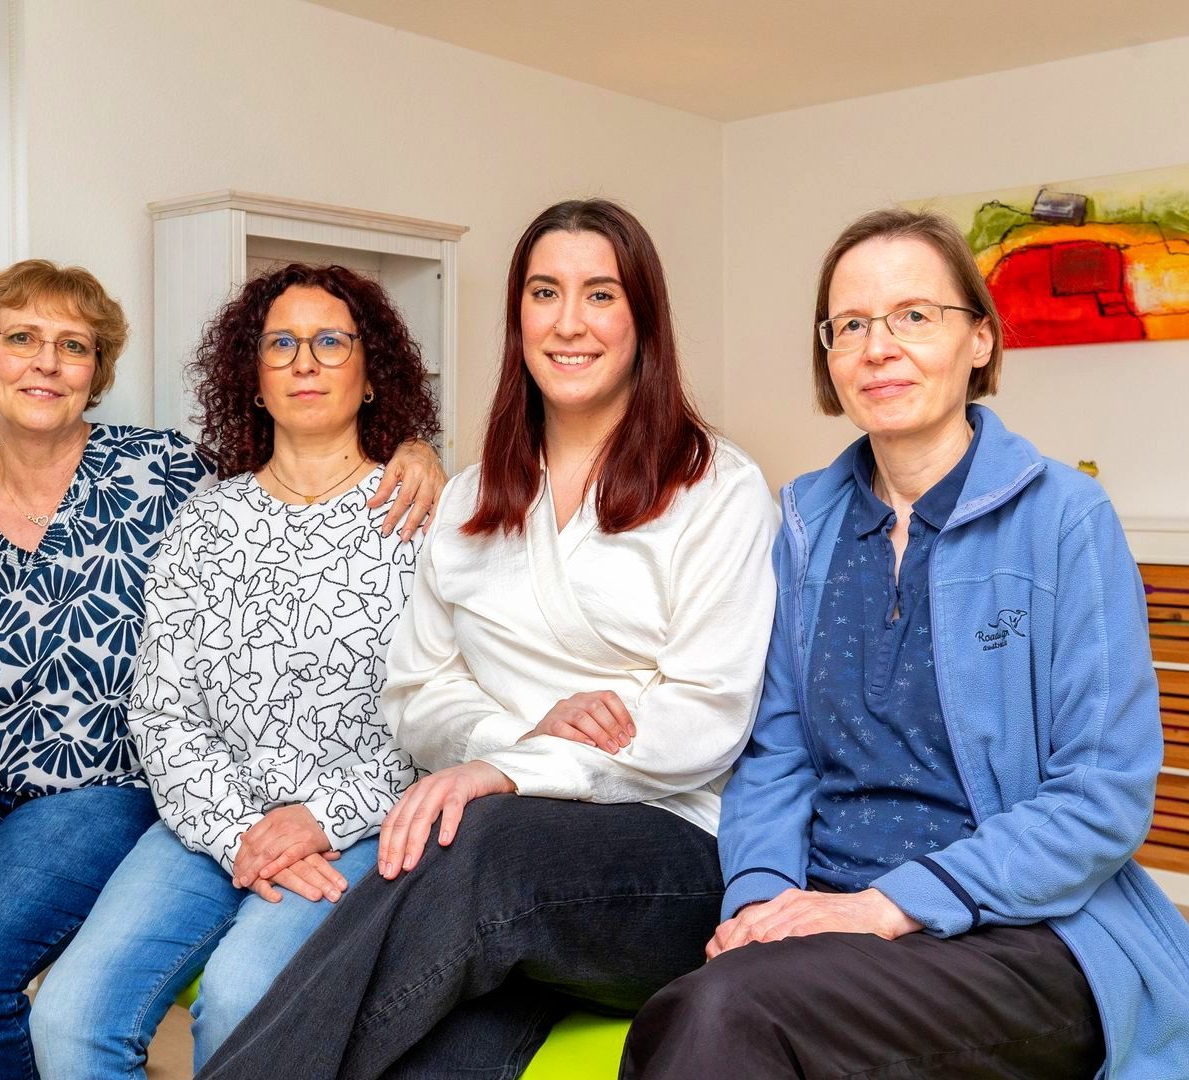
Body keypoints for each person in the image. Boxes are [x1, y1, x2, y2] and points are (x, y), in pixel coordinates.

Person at [621, 208, 1189, 1079]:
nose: (877, 348)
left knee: (719, 1014)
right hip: (828, 915)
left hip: (1023, 934)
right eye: (850, 325)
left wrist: (891, 905)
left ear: (980, 340)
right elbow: (776, 756)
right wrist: (762, 903)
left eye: (914, 317)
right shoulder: (806, 523)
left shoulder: (1065, 521)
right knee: (706, 1004)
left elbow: (1104, 795)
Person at [0, 259, 445, 1080]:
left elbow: (434, 699)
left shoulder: (163, 476)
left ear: (96, 371)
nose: (45, 362)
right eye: (20, 339)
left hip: (103, 789)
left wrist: (419, 448)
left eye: (70, 345)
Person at [199, 199, 777, 1080]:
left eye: (600, 296)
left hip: (668, 860)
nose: (569, 322)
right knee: (432, 1052)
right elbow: (415, 697)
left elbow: (705, 720)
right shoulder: (467, 503)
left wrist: (510, 771)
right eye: (545, 293)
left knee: (478, 838)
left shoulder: (718, 490)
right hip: (502, 883)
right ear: (518, 317)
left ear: (643, 319)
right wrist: (523, 737)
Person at [28, 263, 441, 1078]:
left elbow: (441, 718)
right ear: (251, 379)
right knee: (69, 1018)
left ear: (369, 375)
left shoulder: (426, 517)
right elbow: (160, 710)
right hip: (211, 821)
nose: (304, 361)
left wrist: (317, 816)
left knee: (246, 1000)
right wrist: (240, 832)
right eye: (280, 343)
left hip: (356, 826)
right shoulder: (207, 518)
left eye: (330, 341)